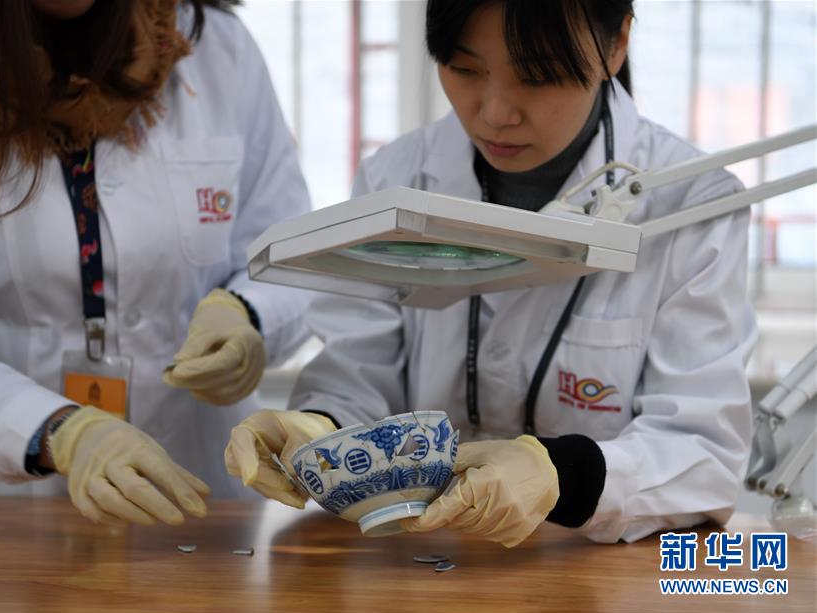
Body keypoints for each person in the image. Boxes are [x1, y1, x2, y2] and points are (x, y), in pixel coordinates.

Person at [223, 0, 757, 545]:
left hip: (593, 574)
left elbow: (701, 455)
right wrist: (319, 428)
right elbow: (361, 375)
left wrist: (561, 476)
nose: (495, 112)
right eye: (464, 68)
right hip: (418, 567)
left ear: (616, 42)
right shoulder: (396, 178)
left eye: (539, 74)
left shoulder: (692, 205)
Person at [0, 0, 312, 528]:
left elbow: (289, 254)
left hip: (197, 503)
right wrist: (59, 431)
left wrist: (247, 315)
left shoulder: (212, 45)